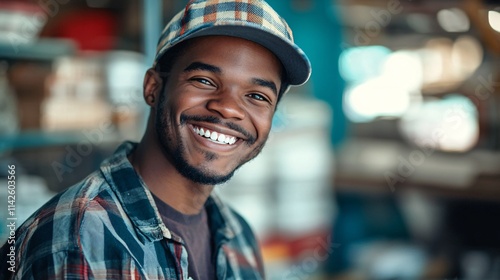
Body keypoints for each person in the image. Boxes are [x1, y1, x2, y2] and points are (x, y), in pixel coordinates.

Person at [0, 0, 311, 279]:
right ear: (152, 87)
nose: (229, 108)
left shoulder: (238, 236)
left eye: (256, 96)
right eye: (203, 80)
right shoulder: (79, 240)